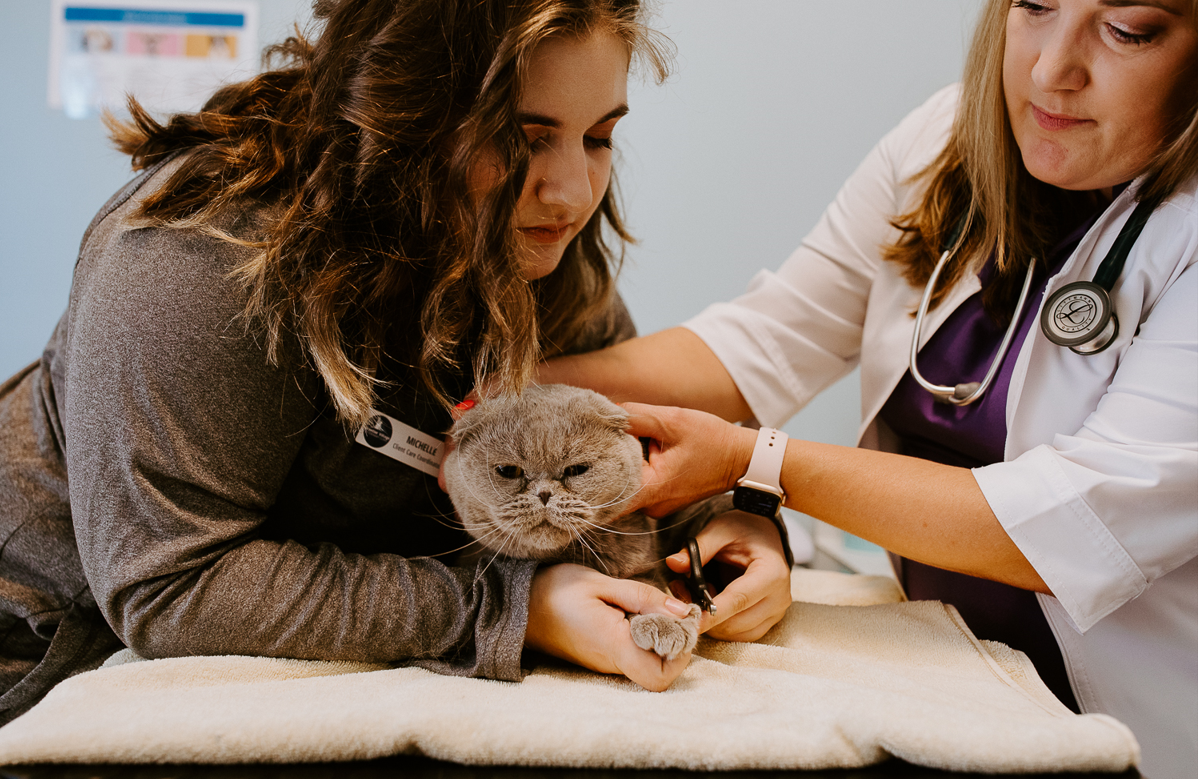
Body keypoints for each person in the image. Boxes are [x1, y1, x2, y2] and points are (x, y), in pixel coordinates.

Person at [0, 0, 772, 726]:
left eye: (598, 137)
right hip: (44, 644)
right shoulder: (196, 256)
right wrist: (511, 609)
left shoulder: (539, 243)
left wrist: (731, 529)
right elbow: (171, 584)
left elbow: (619, 466)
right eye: (523, 138)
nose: (573, 192)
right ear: (402, 118)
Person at [539, 0, 1198, 779]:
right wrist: (501, 388)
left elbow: (1071, 527)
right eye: (1035, 6)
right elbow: (768, 340)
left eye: (1126, 30)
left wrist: (754, 463)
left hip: (1141, 747)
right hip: (953, 690)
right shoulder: (946, 139)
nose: (1053, 70)